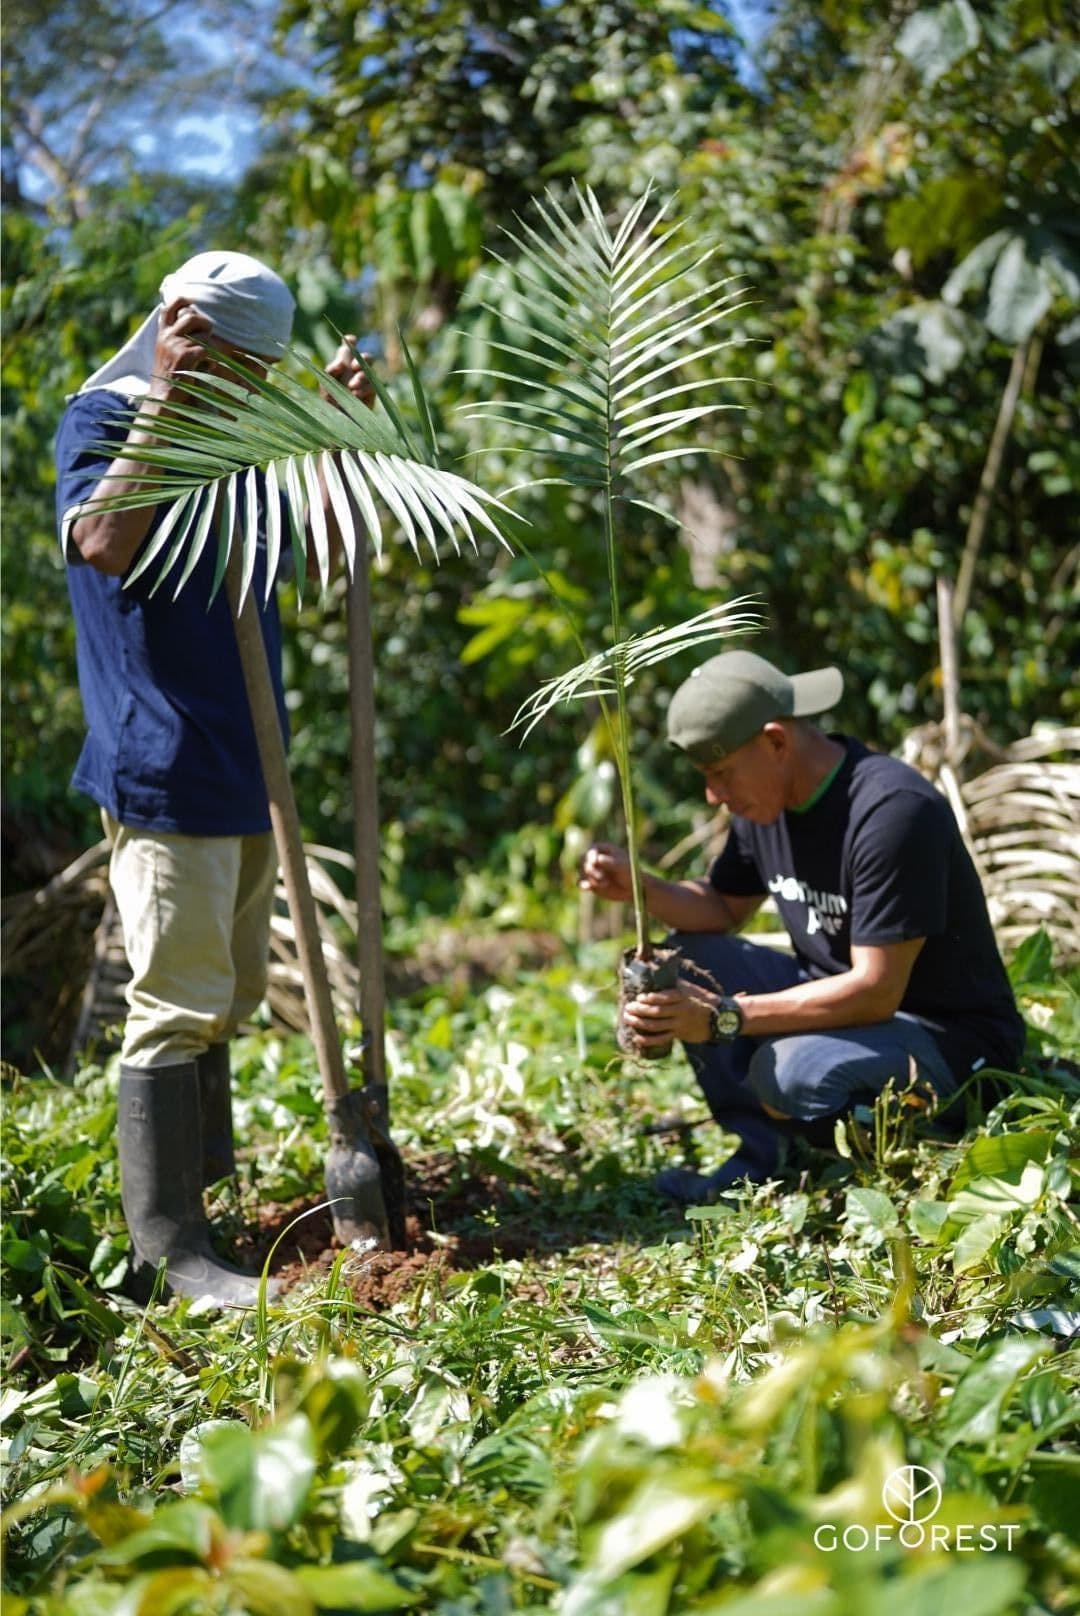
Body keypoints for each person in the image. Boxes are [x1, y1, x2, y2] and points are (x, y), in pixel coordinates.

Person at [56, 250, 372, 1302]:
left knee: (226, 994)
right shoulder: (108, 418)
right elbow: (101, 539)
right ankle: (169, 1250)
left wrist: (338, 439)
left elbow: (320, 553)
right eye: (239, 368)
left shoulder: (240, 439)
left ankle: (207, 1199)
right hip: (164, 757)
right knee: (177, 999)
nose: (249, 391)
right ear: (183, 326)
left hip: (248, 761)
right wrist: (175, 408)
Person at [580, 650, 1025, 1204]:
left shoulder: (891, 813)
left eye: (720, 774)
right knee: (695, 955)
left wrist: (722, 1018)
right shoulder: (766, 805)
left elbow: (876, 990)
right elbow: (721, 907)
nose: (713, 796)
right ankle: (764, 1153)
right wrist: (640, 885)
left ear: (775, 741)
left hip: (947, 1039)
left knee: (791, 1073)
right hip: (846, 1008)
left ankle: (906, 1162)